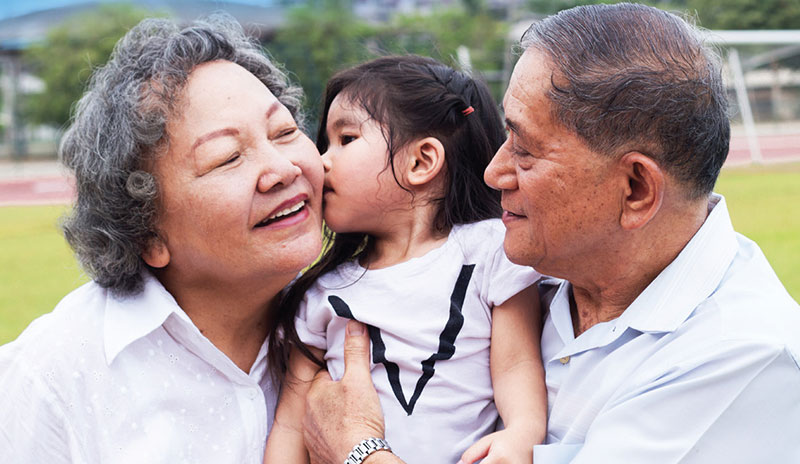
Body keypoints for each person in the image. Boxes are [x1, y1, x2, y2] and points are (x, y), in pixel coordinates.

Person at [300, 4, 800, 464]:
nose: (494, 172)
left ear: (635, 189)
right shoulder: (535, 274)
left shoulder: (737, 358)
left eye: (525, 149)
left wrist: (358, 448)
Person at [0, 15, 325, 463]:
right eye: (227, 157)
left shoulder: (366, 314)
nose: (284, 169)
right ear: (146, 231)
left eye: (285, 132)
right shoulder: (52, 381)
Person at [263, 55, 546, 464]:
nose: (322, 160)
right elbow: (292, 422)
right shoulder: (322, 292)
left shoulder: (489, 253)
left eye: (345, 139)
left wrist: (522, 433)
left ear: (421, 161)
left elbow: (517, 364)